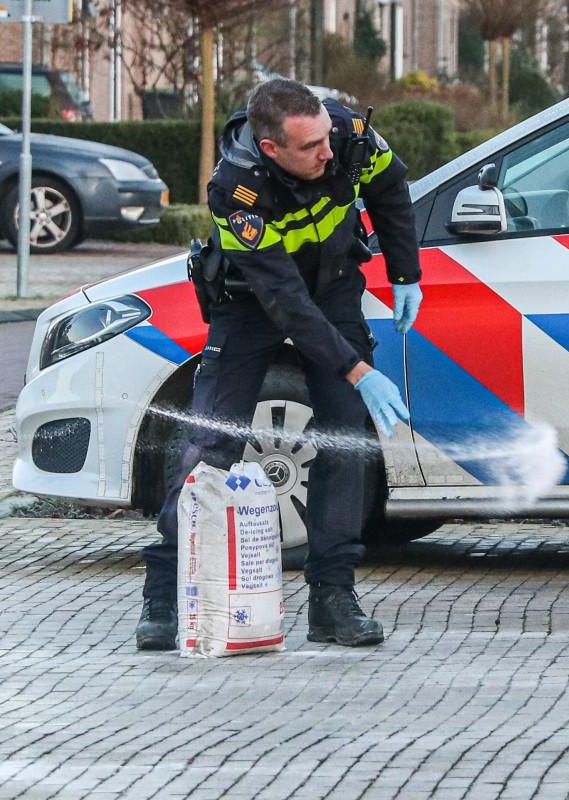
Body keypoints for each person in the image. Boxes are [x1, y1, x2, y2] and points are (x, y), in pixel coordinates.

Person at [135, 78, 423, 649]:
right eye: (310, 147)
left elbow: (390, 188)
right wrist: (359, 371)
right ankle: (165, 591)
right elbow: (287, 305)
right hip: (251, 303)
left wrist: (405, 272)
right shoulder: (234, 190)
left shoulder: (347, 134)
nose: (326, 152)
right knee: (210, 443)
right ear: (272, 149)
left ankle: (333, 600)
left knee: (344, 436)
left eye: (326, 137)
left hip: (335, 285)